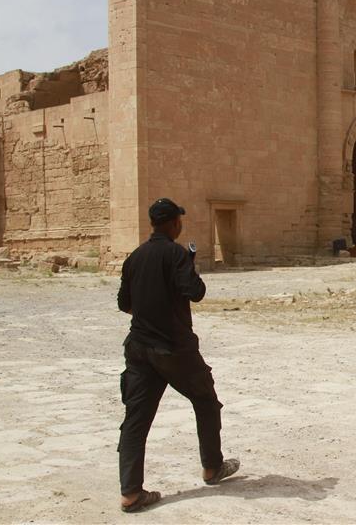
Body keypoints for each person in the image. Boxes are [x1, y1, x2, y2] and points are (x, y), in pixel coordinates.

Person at [116, 198, 239, 512]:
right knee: (207, 401)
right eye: (179, 221)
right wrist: (190, 267)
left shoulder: (134, 258)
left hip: (139, 348)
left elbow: (124, 303)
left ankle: (131, 492)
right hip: (173, 348)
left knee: (135, 419)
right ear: (173, 224)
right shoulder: (176, 254)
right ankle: (212, 466)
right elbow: (195, 293)